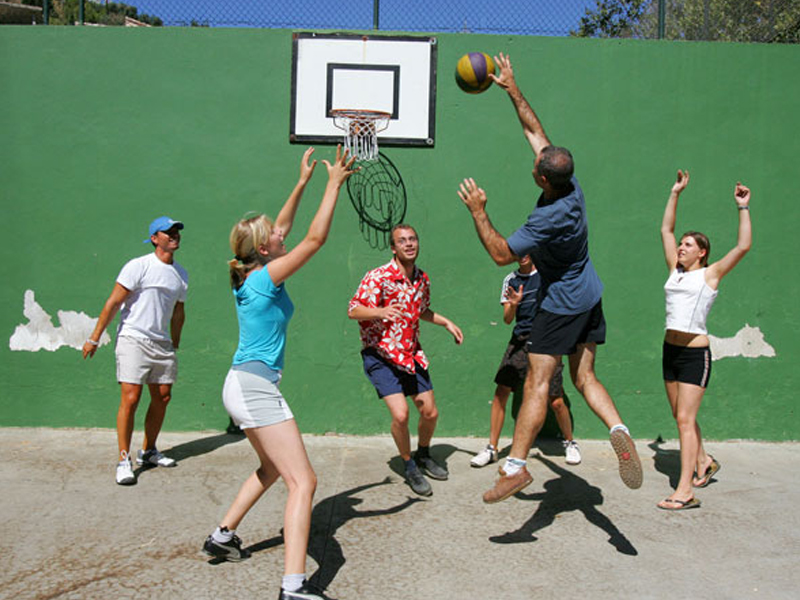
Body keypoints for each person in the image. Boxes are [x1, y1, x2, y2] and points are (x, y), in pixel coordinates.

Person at [457, 52, 642, 504]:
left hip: (559, 304)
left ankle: (516, 467)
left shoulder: (548, 218)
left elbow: (502, 254)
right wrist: (511, 89)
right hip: (590, 295)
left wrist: (479, 212)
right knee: (585, 377)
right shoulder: (571, 185)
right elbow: (534, 131)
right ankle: (619, 429)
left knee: (538, 381)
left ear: (542, 177)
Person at [201, 146, 354, 600]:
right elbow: (312, 241)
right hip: (254, 386)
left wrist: (302, 182)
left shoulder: (254, 270)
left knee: (270, 468)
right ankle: (293, 587)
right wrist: (332, 185)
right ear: (265, 249)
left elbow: (283, 229)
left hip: (243, 384)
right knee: (303, 482)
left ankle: (223, 535)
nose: (280, 235)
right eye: (274, 236)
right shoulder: (266, 277)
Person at [657, 170, 751, 510]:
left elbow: (743, 246)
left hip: (696, 355)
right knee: (681, 416)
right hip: (670, 351)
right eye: (681, 244)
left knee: (684, 420)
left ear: (702, 252)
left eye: (688, 245)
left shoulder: (710, 275)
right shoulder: (675, 271)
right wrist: (675, 192)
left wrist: (742, 207)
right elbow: (666, 229)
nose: (680, 247)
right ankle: (705, 460)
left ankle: (685, 491)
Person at [348, 224, 464, 497]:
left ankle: (423, 454)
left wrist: (445, 322)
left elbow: (421, 310)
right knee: (401, 414)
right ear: (393, 247)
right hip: (381, 355)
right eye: (402, 241)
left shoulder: (421, 279)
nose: (409, 244)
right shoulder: (378, 277)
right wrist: (380, 311)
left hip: (410, 354)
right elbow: (354, 310)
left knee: (430, 412)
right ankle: (409, 465)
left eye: (413, 239)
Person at [83, 216, 188, 486]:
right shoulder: (138, 266)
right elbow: (113, 302)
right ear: (155, 238)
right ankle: (123, 459)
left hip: (161, 343)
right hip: (133, 339)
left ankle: (149, 450)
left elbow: (178, 312)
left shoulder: (181, 274)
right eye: (168, 232)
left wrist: (174, 341)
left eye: (176, 231)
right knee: (131, 398)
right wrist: (94, 338)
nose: (174, 235)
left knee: (162, 397)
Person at [471, 255, 581, 468]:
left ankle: (570, 442)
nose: (522, 255)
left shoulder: (546, 274)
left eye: (527, 250)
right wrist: (513, 304)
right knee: (501, 392)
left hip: (547, 340)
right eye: (518, 252)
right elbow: (507, 318)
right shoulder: (510, 280)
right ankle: (492, 449)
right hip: (519, 341)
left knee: (556, 400)